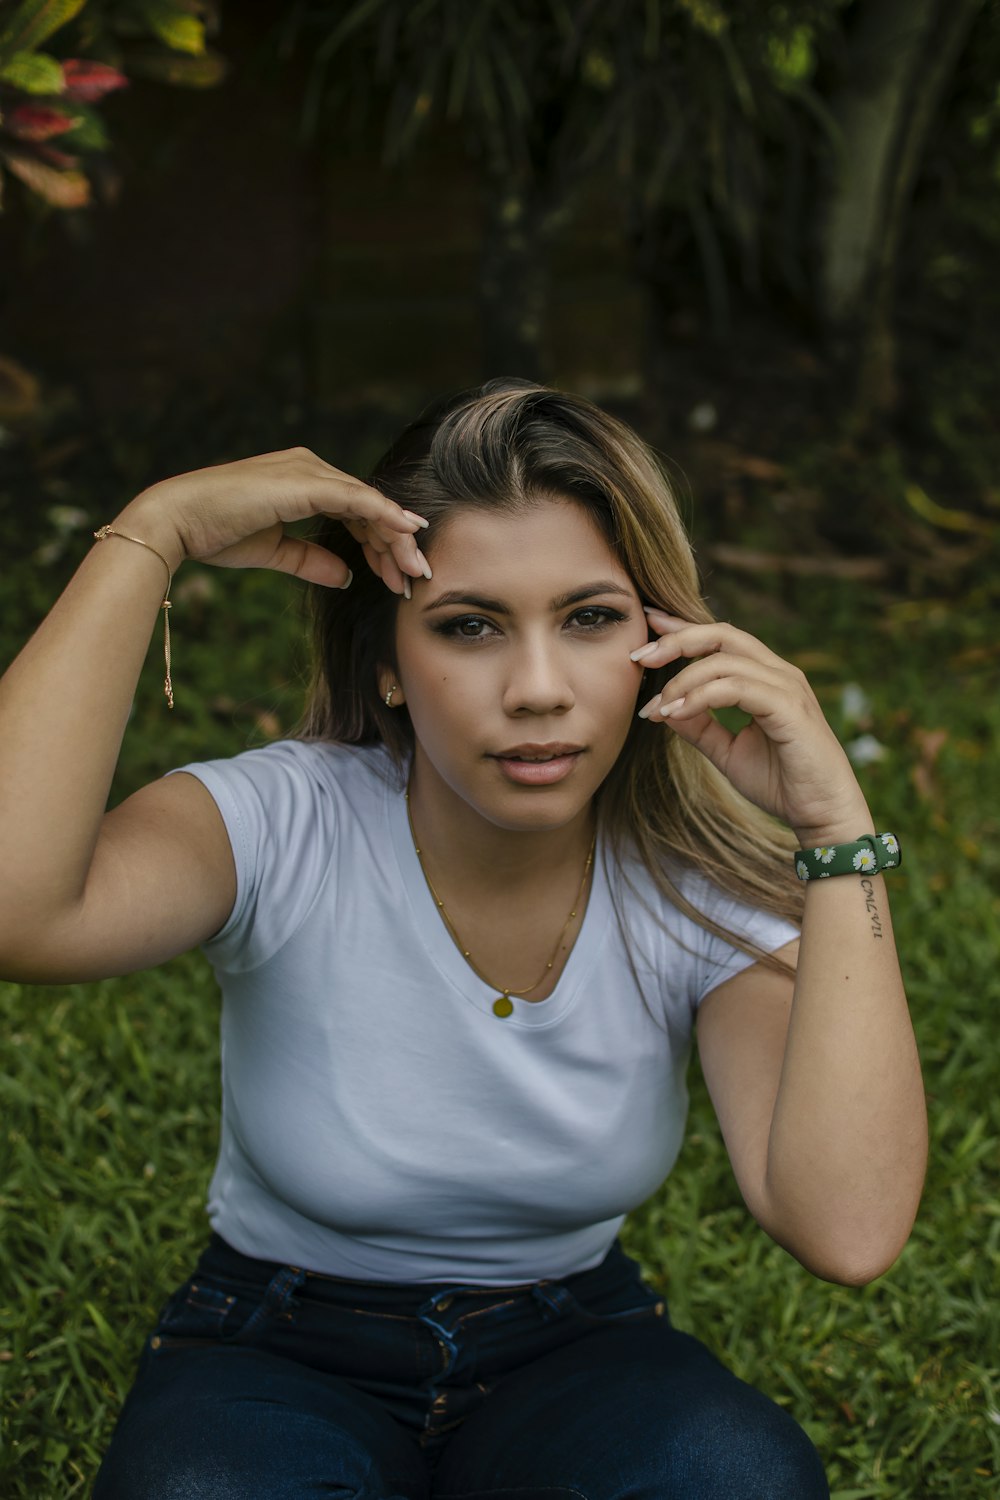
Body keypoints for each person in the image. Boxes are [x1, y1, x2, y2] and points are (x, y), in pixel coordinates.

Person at [0, 379, 926, 1500]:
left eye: (589, 618)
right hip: (276, 1342)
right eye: (469, 625)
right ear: (388, 660)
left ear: (664, 642)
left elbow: (849, 1227)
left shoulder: (690, 889)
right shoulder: (287, 820)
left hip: (573, 1342)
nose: (536, 691)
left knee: (737, 1478)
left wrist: (836, 832)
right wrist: (152, 533)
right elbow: (20, 911)